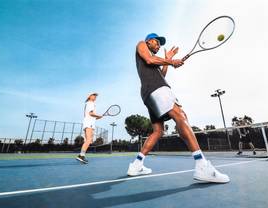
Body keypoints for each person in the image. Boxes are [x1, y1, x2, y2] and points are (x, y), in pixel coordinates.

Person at [127, 33, 230, 183]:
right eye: (156, 42)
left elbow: (161, 74)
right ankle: (202, 165)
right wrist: (171, 61)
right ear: (149, 41)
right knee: (180, 115)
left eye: (160, 44)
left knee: (158, 131)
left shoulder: (153, 61)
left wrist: (167, 61)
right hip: (157, 89)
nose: (158, 46)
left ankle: (136, 164)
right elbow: (150, 59)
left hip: (150, 92)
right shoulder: (141, 44)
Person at [76, 92, 103, 164]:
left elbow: (91, 116)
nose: (95, 97)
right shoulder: (91, 103)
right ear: (89, 96)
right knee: (89, 140)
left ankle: (82, 156)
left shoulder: (88, 103)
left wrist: (98, 117)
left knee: (88, 140)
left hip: (88, 123)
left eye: (96, 95)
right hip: (89, 124)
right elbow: (91, 114)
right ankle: (81, 156)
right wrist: (98, 115)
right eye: (94, 95)